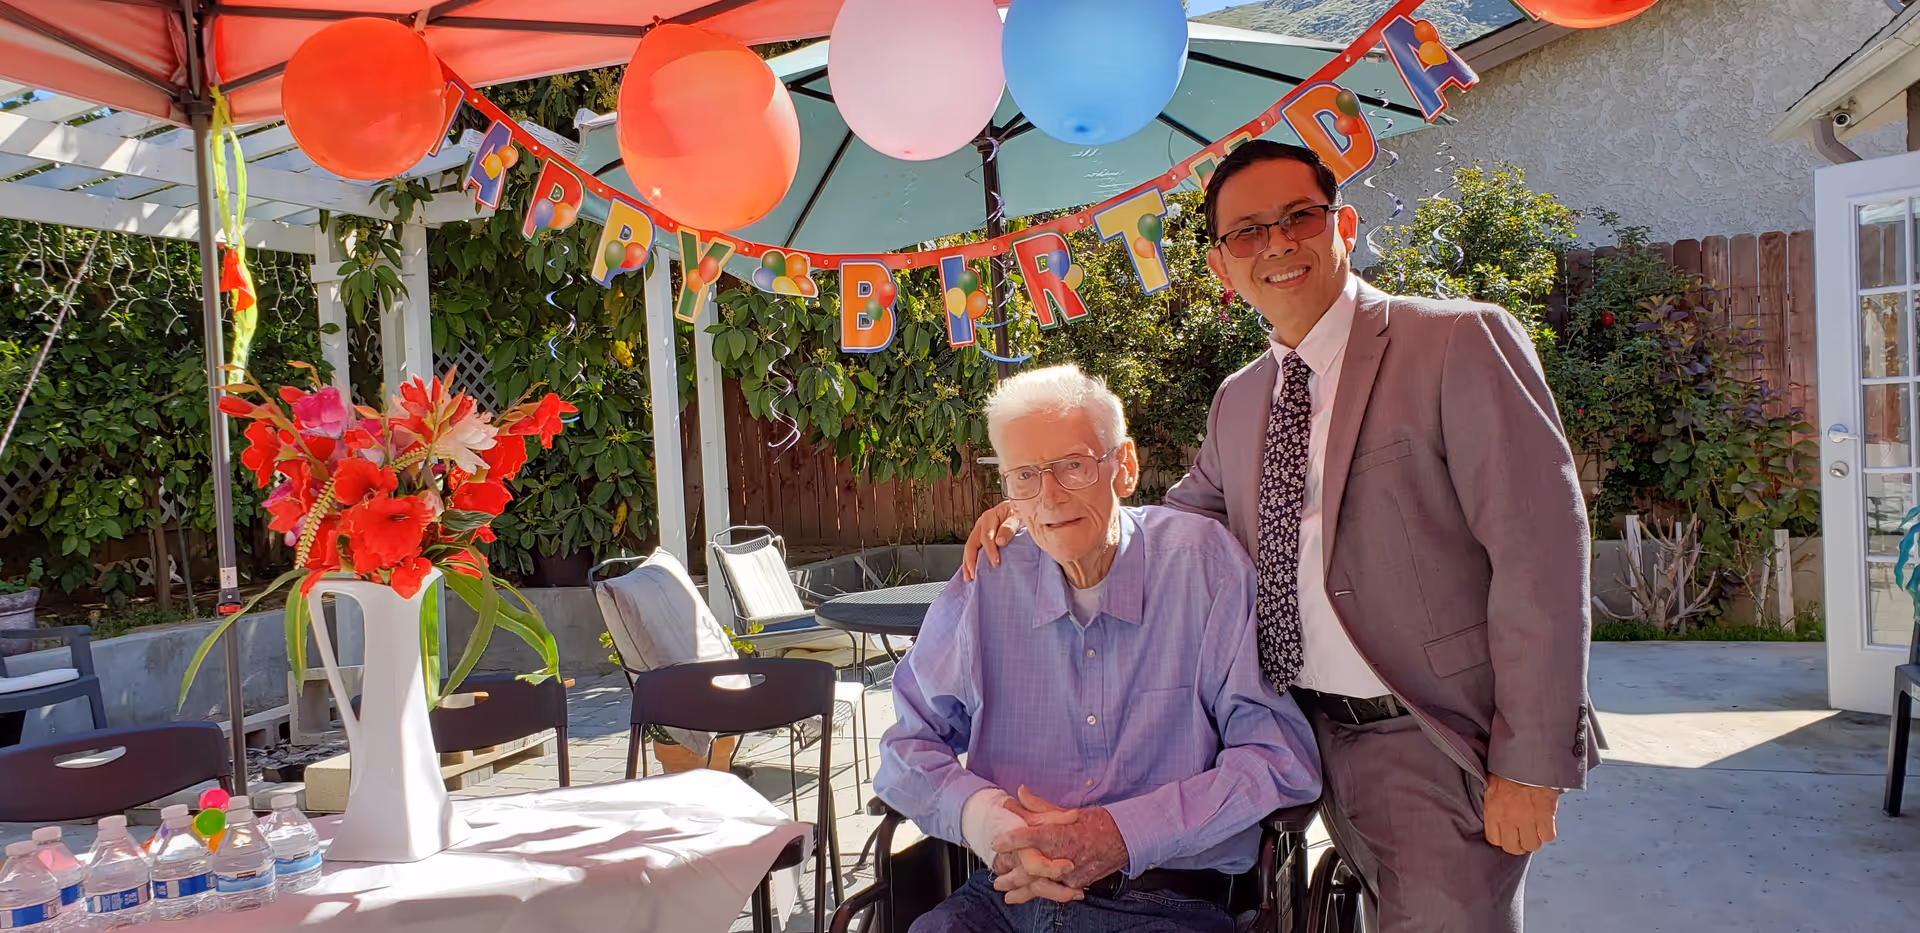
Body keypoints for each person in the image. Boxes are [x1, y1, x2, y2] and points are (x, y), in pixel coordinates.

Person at [964, 141, 1597, 932]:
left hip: (1432, 739)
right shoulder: (1241, 399)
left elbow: (1541, 556)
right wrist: (1042, 509)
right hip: (1297, 739)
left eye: (1299, 217)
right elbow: (1173, 523)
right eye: (1247, 232)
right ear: (1223, 265)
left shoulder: (1457, 342)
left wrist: (1530, 765)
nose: (1277, 244)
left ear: (1345, 224)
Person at [876, 364, 1321, 933]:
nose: (1050, 496)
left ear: (1125, 467)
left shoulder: (1203, 569)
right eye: (1025, 476)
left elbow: (1279, 757)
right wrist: (994, 825)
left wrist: (1122, 833)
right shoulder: (988, 576)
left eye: (1074, 466)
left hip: (1165, 902)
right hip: (1004, 900)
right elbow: (905, 750)